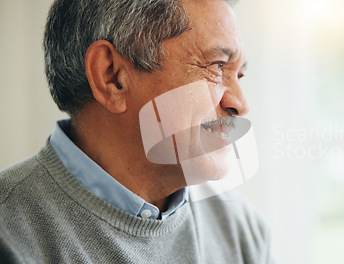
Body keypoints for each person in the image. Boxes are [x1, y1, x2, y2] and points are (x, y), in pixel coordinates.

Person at [0, 0, 273, 263]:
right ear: (112, 77)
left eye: (239, 75)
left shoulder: (241, 231)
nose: (241, 105)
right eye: (217, 66)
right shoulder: (9, 235)